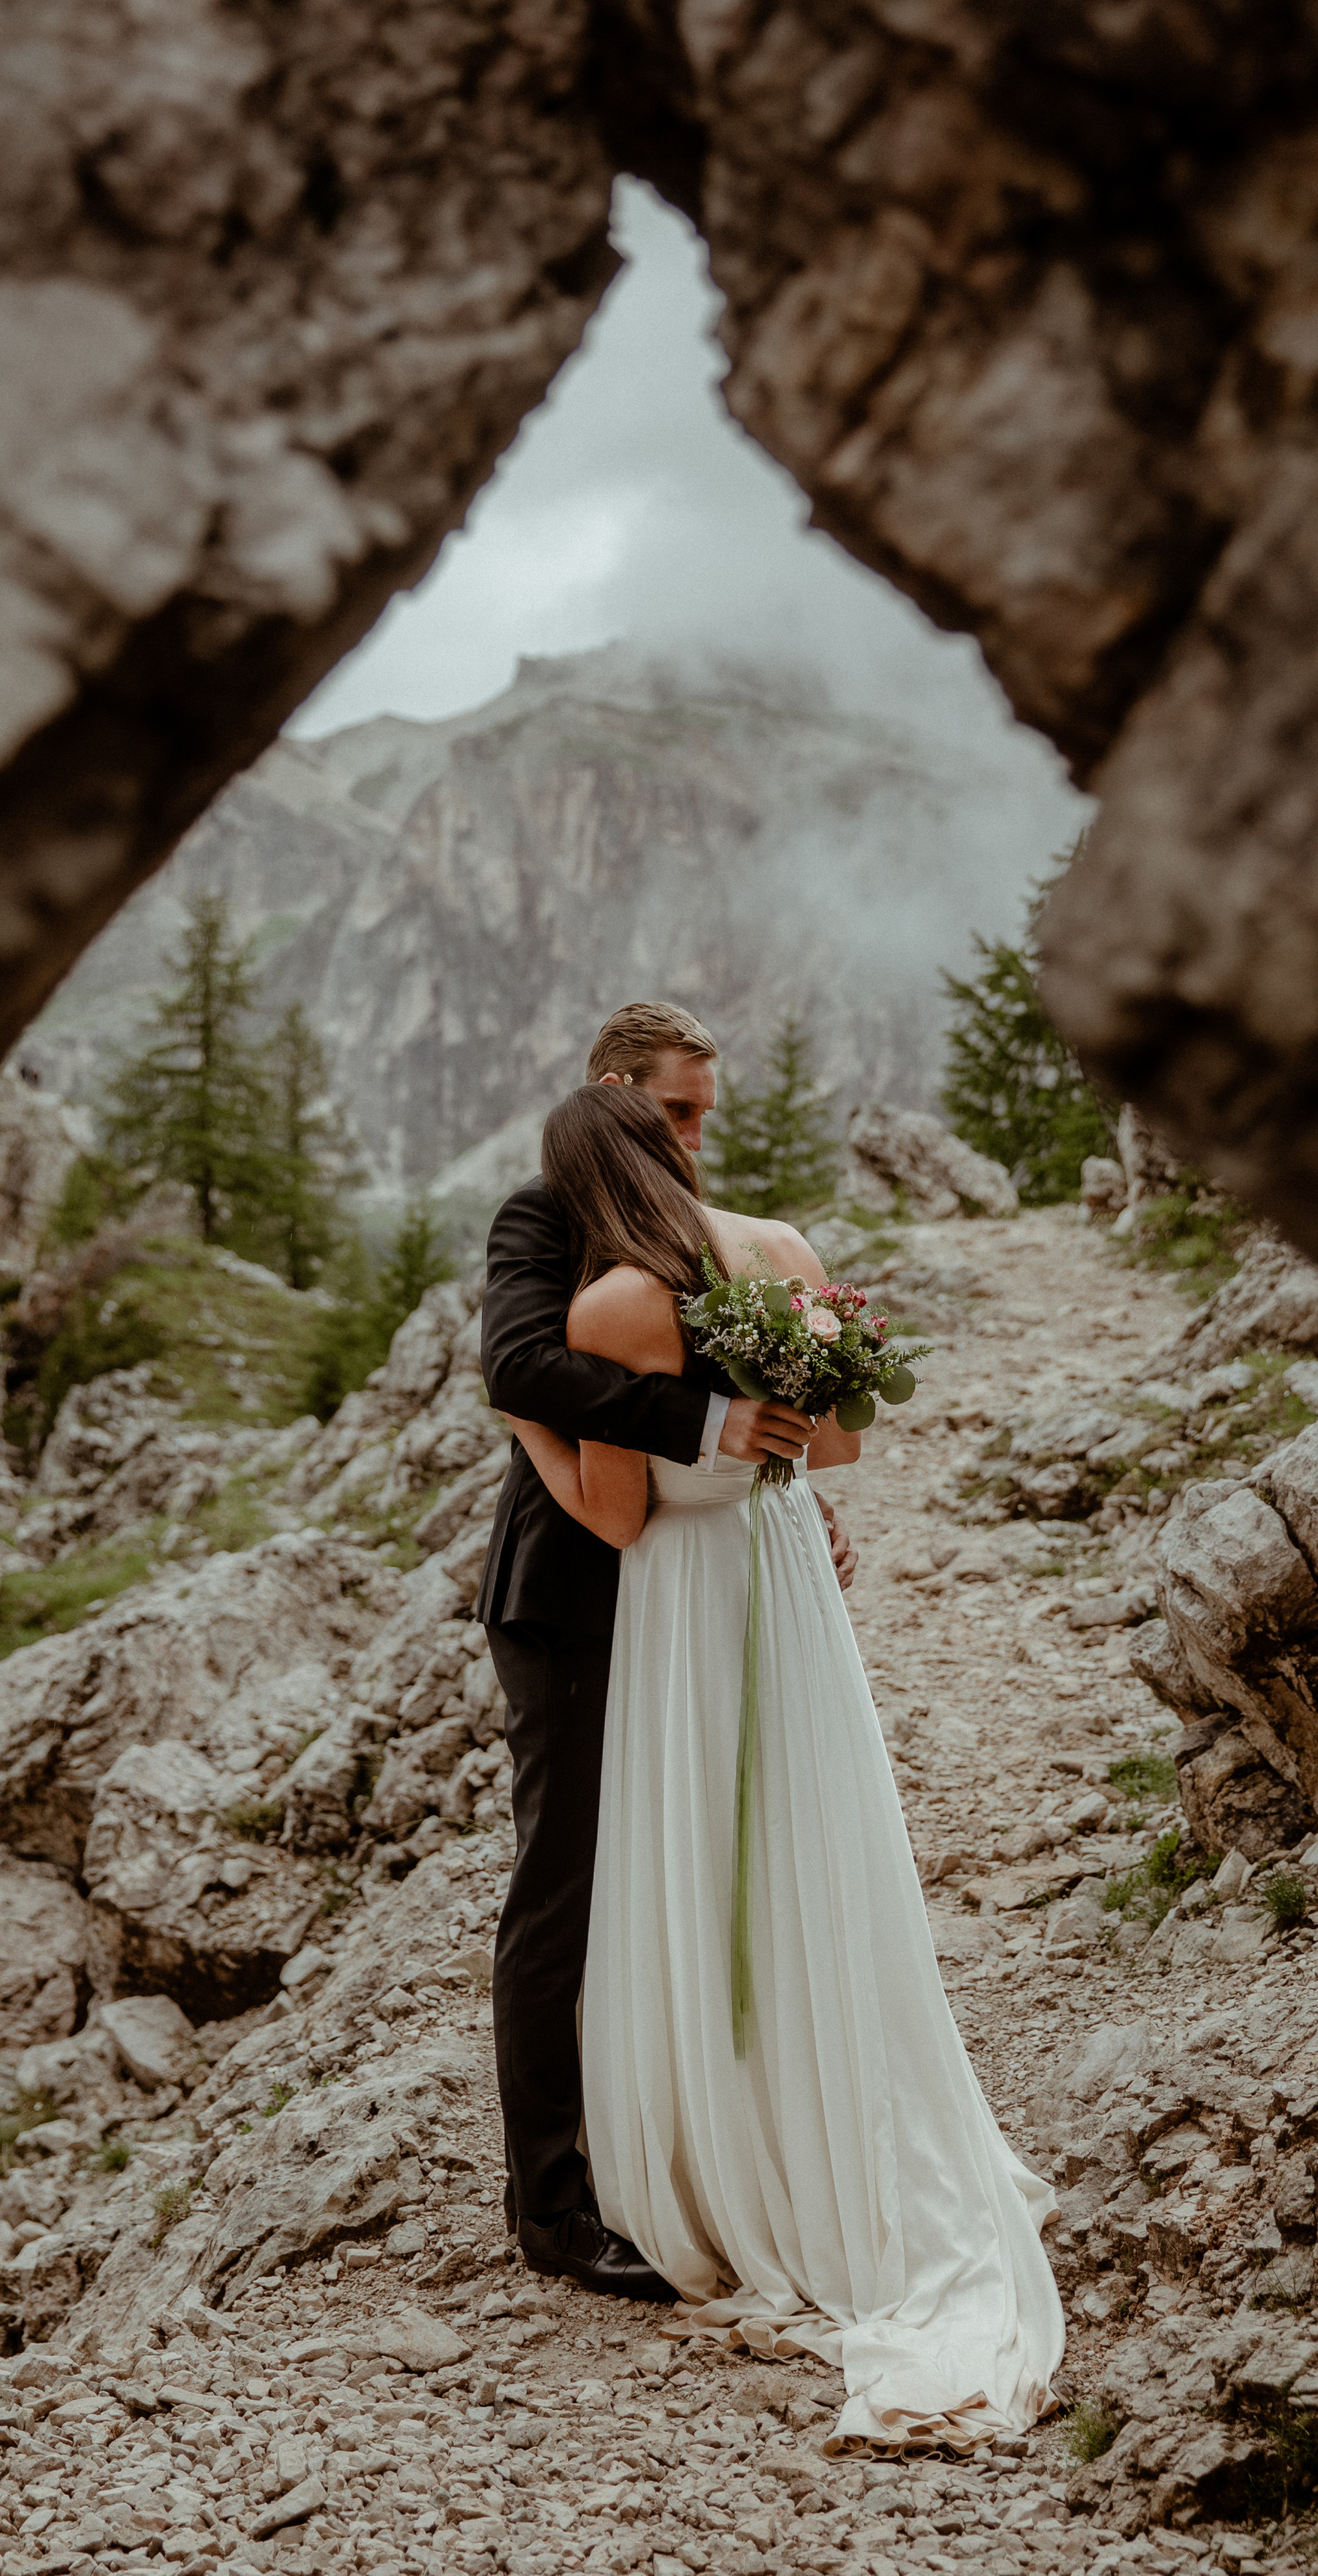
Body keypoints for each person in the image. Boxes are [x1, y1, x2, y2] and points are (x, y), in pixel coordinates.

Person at [503, 1084, 1064, 2452]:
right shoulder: (789, 1258)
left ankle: (717, 2154)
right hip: (789, 1579)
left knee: (696, 1862)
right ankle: (844, 2125)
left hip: (688, 1610)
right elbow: (844, 1448)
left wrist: (526, 1429)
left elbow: (618, 1518)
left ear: (583, 1183)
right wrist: (774, 1478)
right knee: (812, 1847)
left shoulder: (616, 1308)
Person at [479, 1002, 857, 2302]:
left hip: (694, 1587)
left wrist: (785, 1494)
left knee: (686, 1871)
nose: (694, 1139)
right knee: (564, 1889)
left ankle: (691, 2148)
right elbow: (519, 1362)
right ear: (614, 1095)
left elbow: (782, 1417)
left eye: (705, 1114)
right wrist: (710, 1423)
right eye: (674, 1113)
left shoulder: (704, 1236)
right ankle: (554, 2202)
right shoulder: (542, 1216)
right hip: (577, 1595)